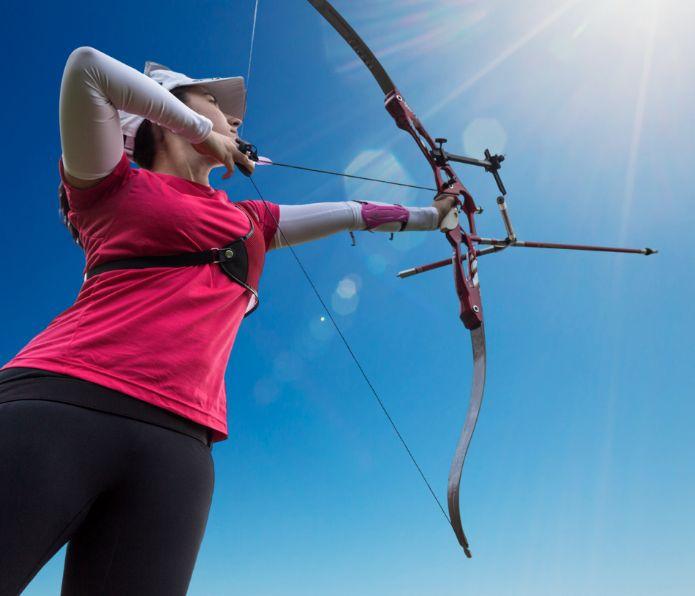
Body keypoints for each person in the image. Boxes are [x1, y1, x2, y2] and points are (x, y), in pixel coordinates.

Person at [0, 46, 455, 595]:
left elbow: (352, 213)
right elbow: (85, 68)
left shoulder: (249, 219)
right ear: (163, 111)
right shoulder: (109, 181)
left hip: (181, 443)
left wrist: (435, 217)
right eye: (213, 100)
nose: (234, 117)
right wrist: (201, 129)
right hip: (62, 402)